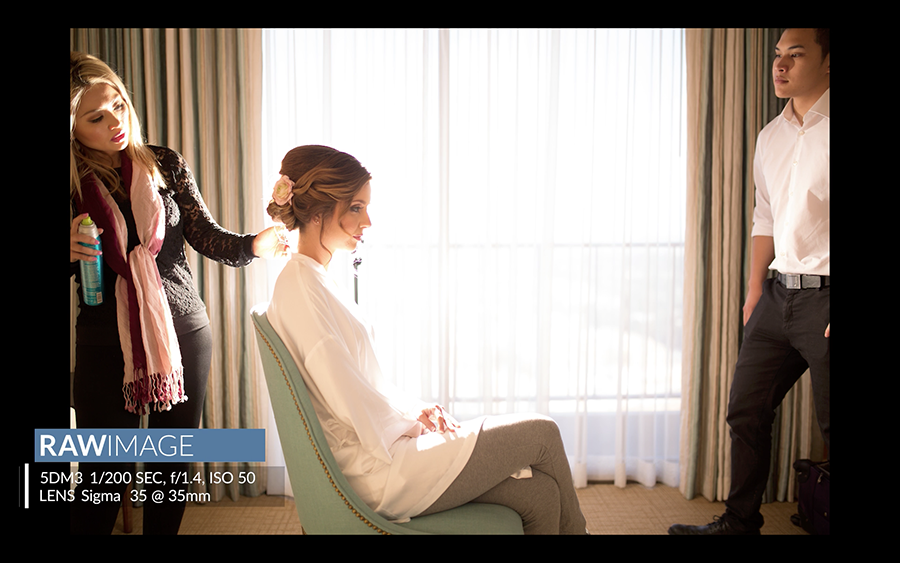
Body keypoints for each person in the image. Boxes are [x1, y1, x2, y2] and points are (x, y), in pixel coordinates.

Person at [265, 145, 588, 534]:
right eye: (356, 207)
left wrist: (414, 409)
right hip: (380, 470)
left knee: (541, 496)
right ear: (318, 210)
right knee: (542, 433)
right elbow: (346, 395)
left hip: (383, 452)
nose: (368, 220)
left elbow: (361, 383)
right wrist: (408, 421)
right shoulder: (301, 285)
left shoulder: (314, 279)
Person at [69, 51, 287, 534]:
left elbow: (207, 235)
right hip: (106, 344)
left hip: (185, 332)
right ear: (72, 127)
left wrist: (254, 244)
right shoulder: (71, 185)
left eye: (120, 106)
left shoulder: (163, 163)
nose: (115, 123)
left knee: (171, 468)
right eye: (96, 117)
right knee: (103, 475)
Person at [668, 28, 829, 535]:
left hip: (826, 297)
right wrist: (755, 289)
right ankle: (739, 524)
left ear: (828, 62)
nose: (779, 66)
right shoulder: (769, 134)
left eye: (795, 56)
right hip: (777, 295)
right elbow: (765, 217)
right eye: (777, 56)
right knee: (746, 412)